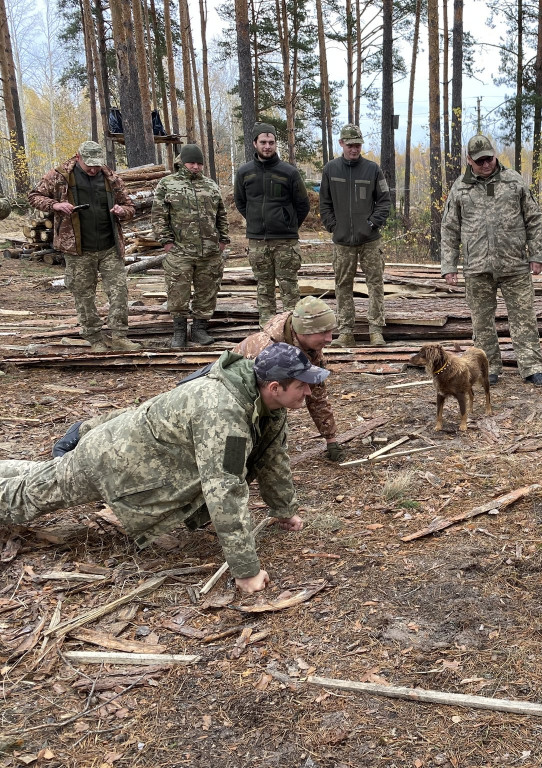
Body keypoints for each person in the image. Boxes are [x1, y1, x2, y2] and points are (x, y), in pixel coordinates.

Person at [0, 343, 327, 593]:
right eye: (302, 385)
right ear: (274, 387)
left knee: (41, 478)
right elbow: (225, 488)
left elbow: (272, 458)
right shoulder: (225, 415)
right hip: (110, 462)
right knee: (25, 499)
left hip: (133, 459)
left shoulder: (269, 403)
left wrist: (284, 509)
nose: (309, 392)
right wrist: (246, 571)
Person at [440, 134, 542, 387]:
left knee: (523, 318)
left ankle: (532, 368)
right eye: (479, 161)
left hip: (515, 264)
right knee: (481, 322)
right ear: (469, 160)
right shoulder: (460, 188)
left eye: (489, 158)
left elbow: (533, 219)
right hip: (477, 266)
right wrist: (449, 265)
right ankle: (488, 368)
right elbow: (449, 229)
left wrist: (536, 255)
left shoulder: (514, 182)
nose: (486, 164)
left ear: (495, 155)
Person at [28, 140, 142, 352]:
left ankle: (119, 336)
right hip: (77, 249)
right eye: (89, 164)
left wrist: (121, 211)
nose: (93, 169)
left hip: (110, 247)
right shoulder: (60, 176)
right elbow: (34, 196)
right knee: (83, 294)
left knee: (119, 291)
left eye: (97, 165)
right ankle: (94, 337)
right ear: (78, 157)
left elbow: (130, 207)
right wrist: (55, 204)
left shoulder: (111, 178)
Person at [233, 296, 345, 461]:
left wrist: (331, 438)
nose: (329, 339)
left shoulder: (310, 347)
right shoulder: (264, 350)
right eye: (323, 332)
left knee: (274, 448)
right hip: (237, 408)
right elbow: (245, 402)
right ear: (303, 332)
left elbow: (316, 392)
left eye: (331, 331)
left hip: (269, 402)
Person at [319, 124, 392, 348]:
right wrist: (333, 226)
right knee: (342, 286)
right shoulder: (330, 170)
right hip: (342, 242)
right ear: (341, 143)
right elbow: (324, 203)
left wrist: (371, 223)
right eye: (350, 145)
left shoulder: (372, 169)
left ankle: (376, 331)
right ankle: (346, 332)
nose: (354, 149)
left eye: (358, 145)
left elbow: (385, 201)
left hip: (370, 240)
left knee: (376, 285)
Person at [153, 144, 230, 348]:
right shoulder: (167, 184)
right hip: (180, 250)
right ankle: (179, 331)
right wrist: (166, 242)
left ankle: (199, 329)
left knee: (207, 291)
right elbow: (159, 216)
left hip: (210, 251)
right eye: (191, 162)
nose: (195, 167)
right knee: (178, 292)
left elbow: (221, 214)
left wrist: (223, 240)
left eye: (199, 163)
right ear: (182, 162)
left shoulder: (210, 185)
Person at [233, 122, 310, 326]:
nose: (267, 146)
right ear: (254, 144)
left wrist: (288, 223)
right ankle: (267, 332)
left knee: (289, 289)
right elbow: (241, 202)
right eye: (263, 142)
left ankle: (293, 333)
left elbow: (303, 204)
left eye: (271, 142)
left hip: (285, 242)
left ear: (276, 144)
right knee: (264, 289)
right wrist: (255, 220)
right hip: (258, 242)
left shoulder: (289, 172)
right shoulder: (244, 172)